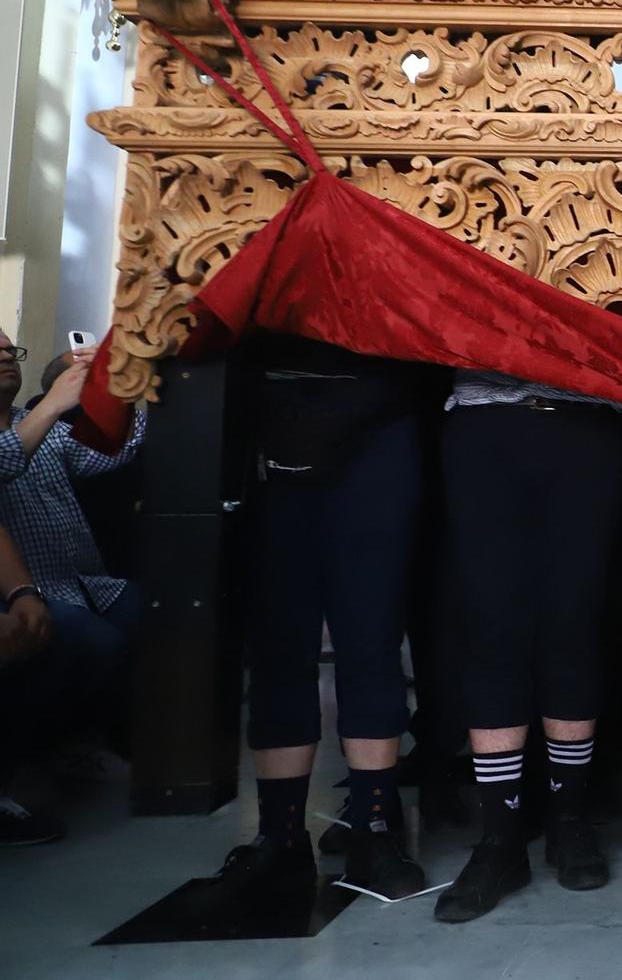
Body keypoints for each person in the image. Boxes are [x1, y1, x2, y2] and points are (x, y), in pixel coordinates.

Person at [187, 337, 438, 914]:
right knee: (279, 645)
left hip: (380, 410)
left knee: (370, 638)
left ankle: (374, 828)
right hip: (271, 418)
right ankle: (279, 837)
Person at [432, 372, 622, 923]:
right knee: (492, 626)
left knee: (572, 622)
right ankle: (500, 837)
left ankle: (569, 818)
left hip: (588, 418)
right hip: (483, 419)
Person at [0, 337, 144, 845]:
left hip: (82, 583)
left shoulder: (34, 425)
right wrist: (56, 403)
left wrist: (124, 387)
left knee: (159, 614)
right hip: (21, 593)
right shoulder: (35, 424)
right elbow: (3, 463)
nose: (4, 355)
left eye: (10, 350)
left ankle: (97, 740)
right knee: (91, 642)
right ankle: (43, 752)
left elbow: (111, 454)